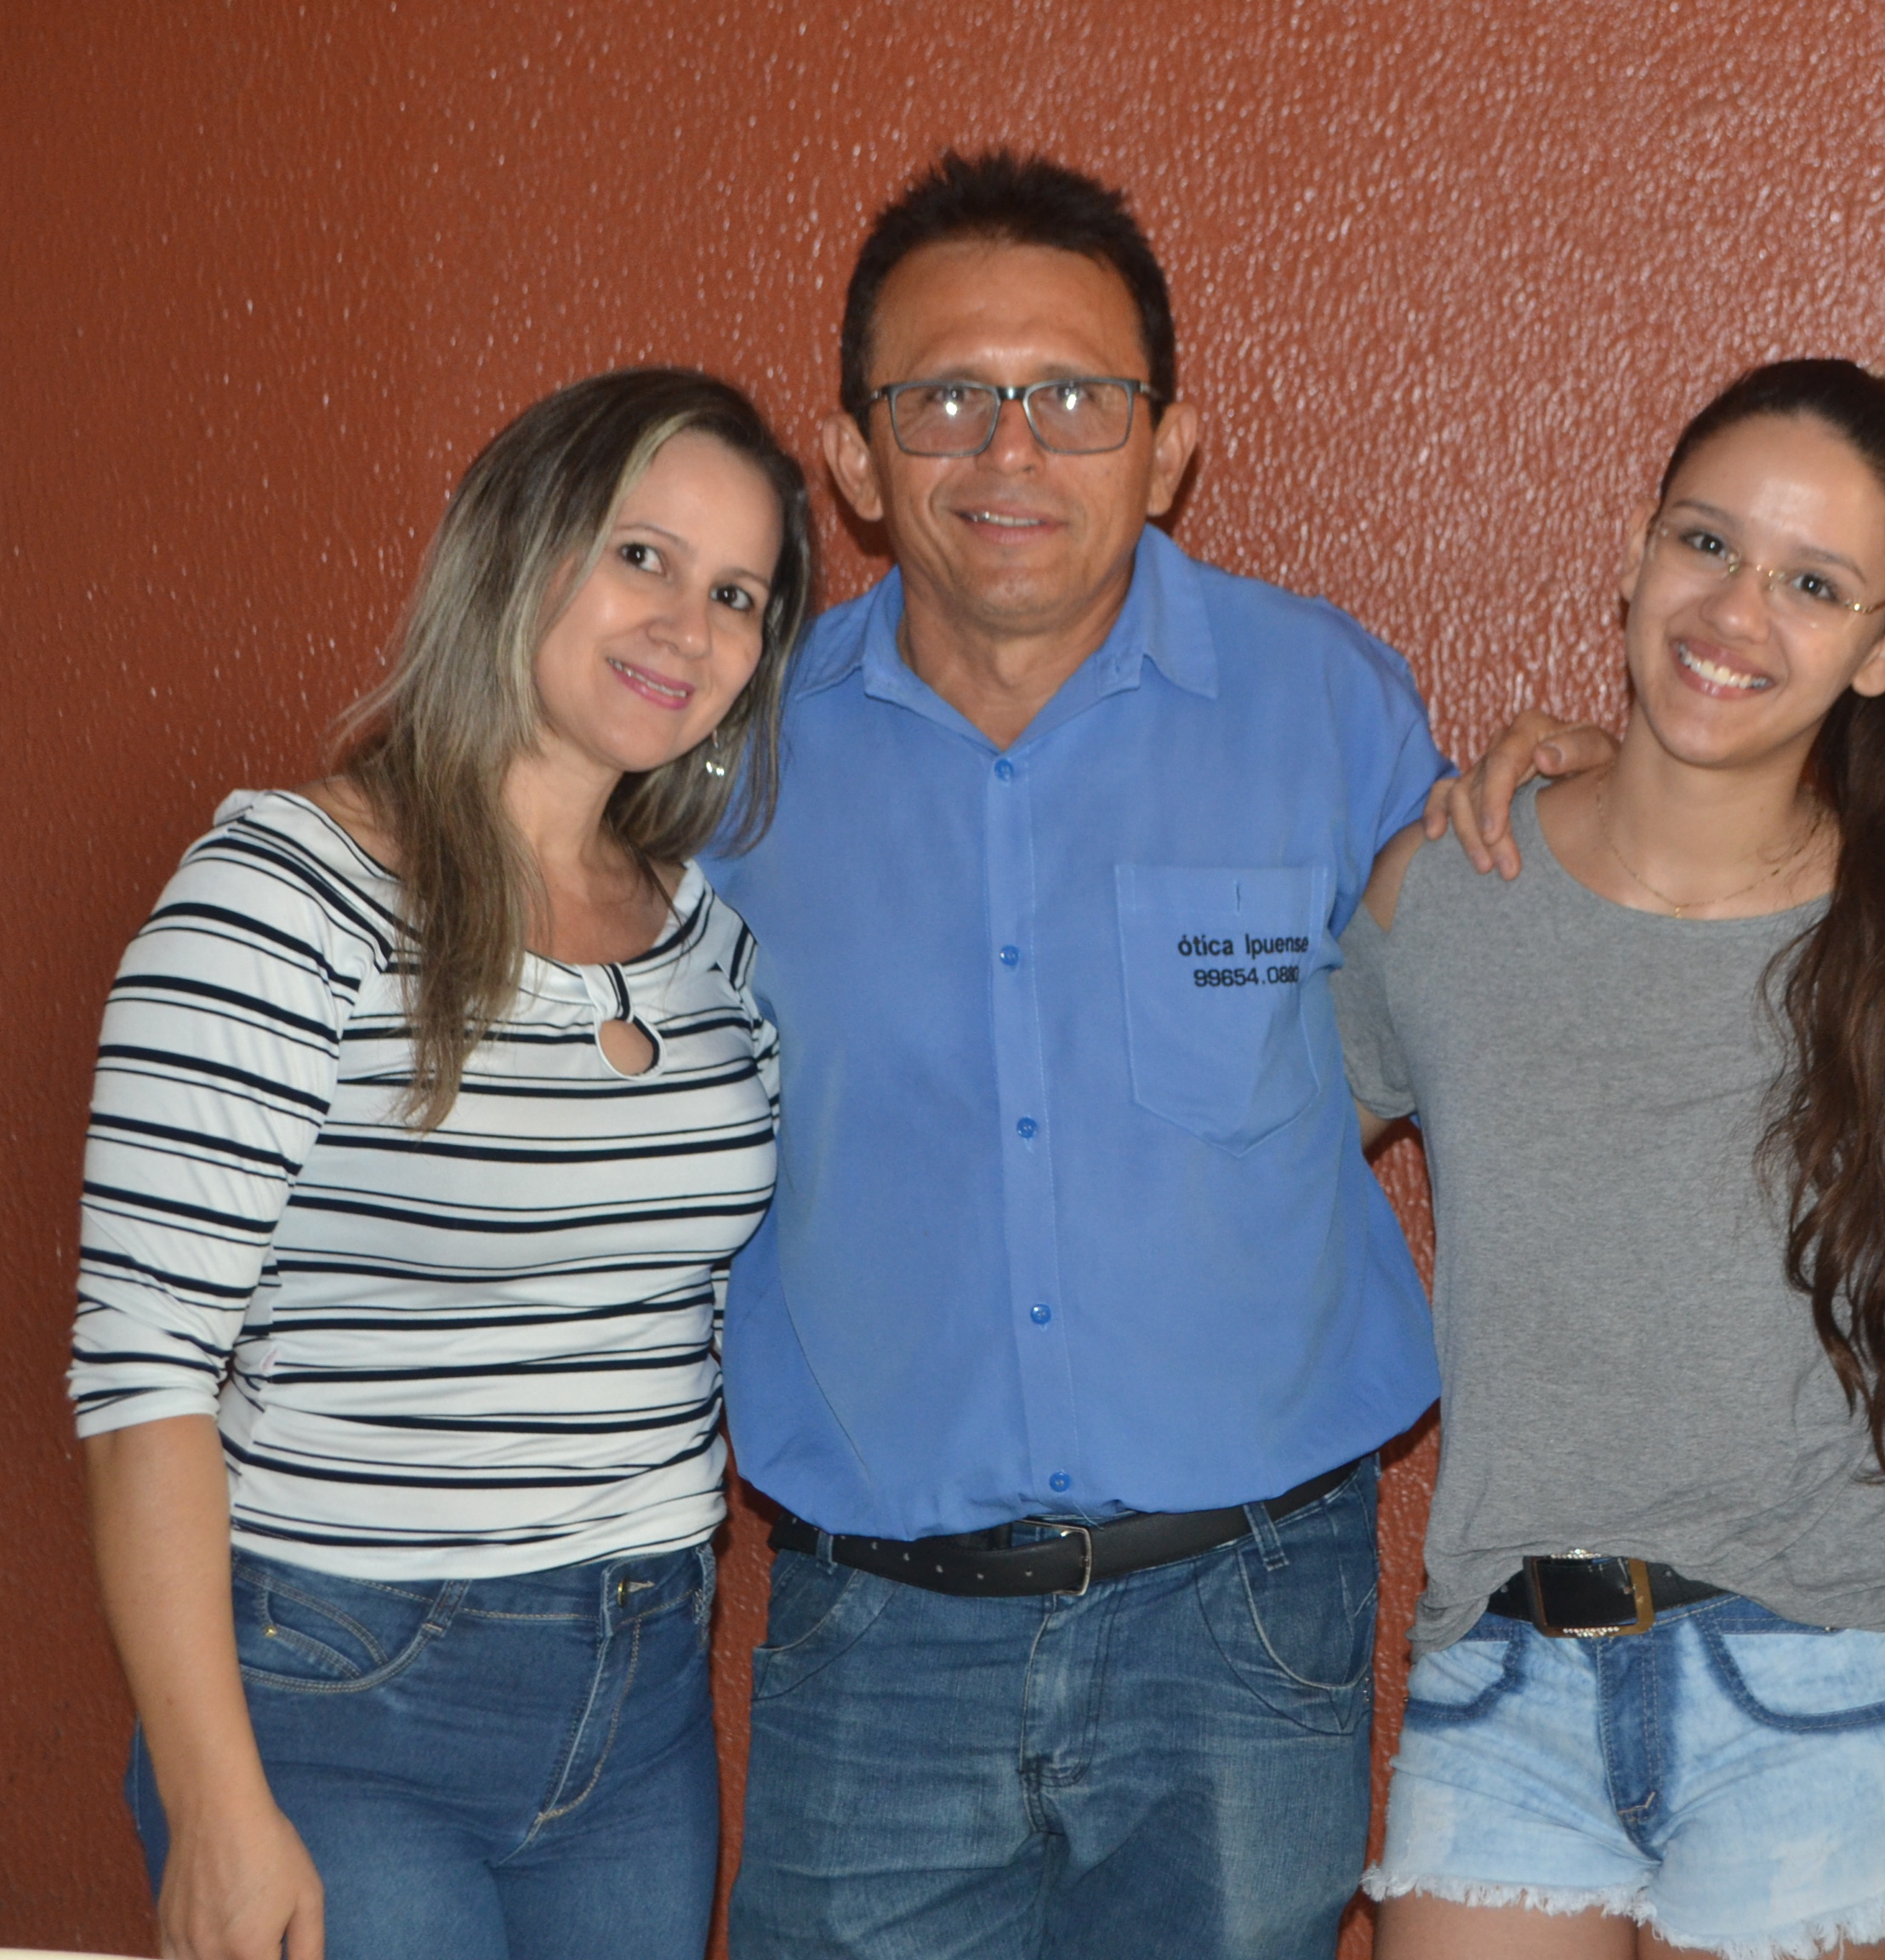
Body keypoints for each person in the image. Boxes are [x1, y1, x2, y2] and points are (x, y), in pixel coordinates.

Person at [708, 147, 1515, 1960]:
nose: (1011, 449)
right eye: (945, 398)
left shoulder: (1330, 706)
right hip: (875, 1639)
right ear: (853, 458)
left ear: (1169, 447)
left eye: (1076, 395)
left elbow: (1467, 1026)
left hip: (1240, 1621)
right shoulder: (735, 766)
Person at [71, 367, 811, 1960]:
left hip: (641, 1707)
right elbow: (142, 1370)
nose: (686, 626)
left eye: (737, 593)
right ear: (516, 545)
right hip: (342, 1701)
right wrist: (215, 1806)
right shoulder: (287, 892)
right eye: (641, 555)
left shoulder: (710, 944)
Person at [1335, 359, 1885, 1960]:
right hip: (1499, 1688)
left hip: (1832, 1700)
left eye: (1814, 584)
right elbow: (1242, 1184)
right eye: (1707, 543)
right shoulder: (1448, 892)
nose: (1735, 612)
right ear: (1639, 552)